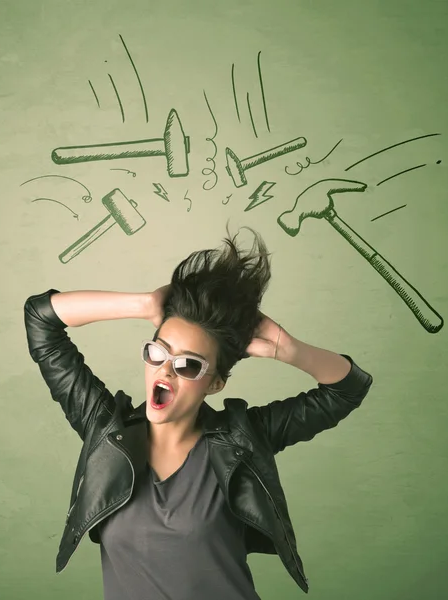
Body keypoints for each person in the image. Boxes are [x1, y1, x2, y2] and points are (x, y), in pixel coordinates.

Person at [24, 225, 373, 599]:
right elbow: (41, 320)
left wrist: (286, 349)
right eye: (157, 352)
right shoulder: (105, 430)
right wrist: (143, 305)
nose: (165, 370)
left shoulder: (245, 439)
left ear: (215, 383)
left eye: (188, 365)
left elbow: (347, 388)